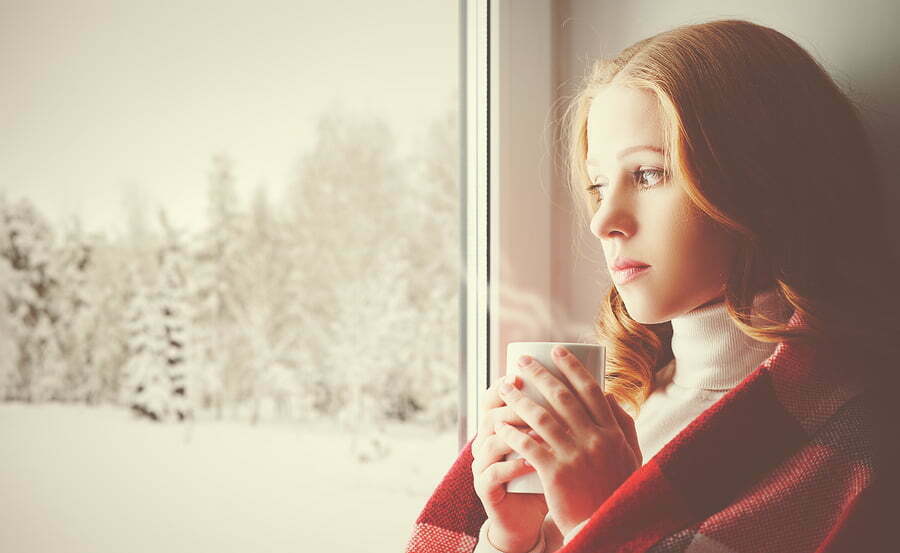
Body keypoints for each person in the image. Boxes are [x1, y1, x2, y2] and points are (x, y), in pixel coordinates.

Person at [405, 18, 898, 553]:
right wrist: (512, 538)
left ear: (761, 179)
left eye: (646, 175)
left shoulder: (862, 448)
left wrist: (605, 519)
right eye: (598, 185)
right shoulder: (620, 406)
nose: (602, 219)